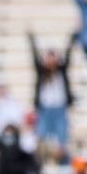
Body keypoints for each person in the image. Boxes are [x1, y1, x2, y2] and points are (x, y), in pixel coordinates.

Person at [28, 32, 76, 164]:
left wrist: (71, 40)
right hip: (44, 109)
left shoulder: (61, 73)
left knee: (62, 140)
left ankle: (63, 164)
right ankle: (42, 164)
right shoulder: (42, 74)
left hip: (59, 109)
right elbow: (35, 59)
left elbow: (68, 57)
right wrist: (32, 40)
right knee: (42, 139)